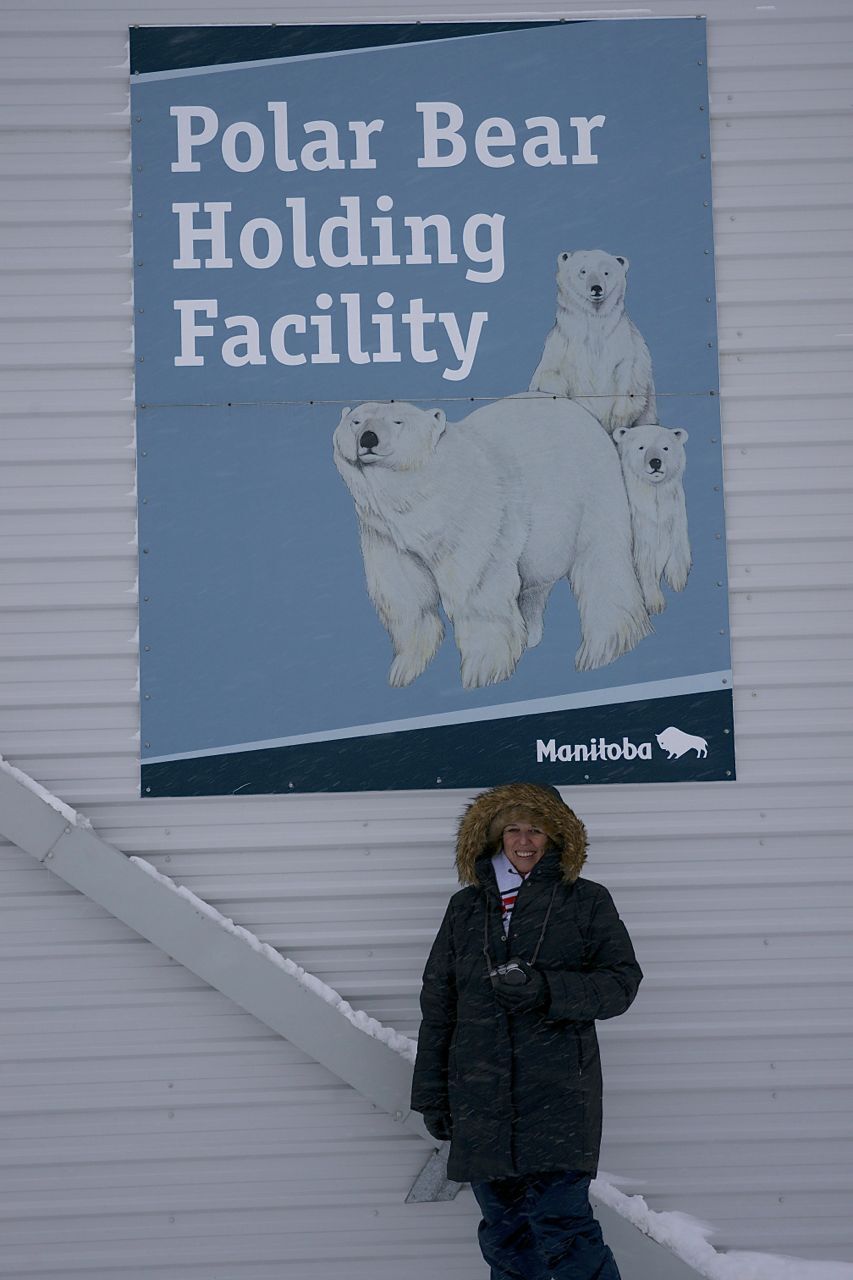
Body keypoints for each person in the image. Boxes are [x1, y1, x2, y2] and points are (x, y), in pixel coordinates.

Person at [411, 781, 642, 1280]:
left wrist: (546, 989)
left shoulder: (586, 901)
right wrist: (431, 1095)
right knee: (506, 1235)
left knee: (565, 1228)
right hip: (480, 1098)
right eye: (512, 829)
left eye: (535, 830)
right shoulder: (465, 908)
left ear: (556, 837)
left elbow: (621, 983)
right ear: (494, 837)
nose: (523, 840)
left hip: (559, 1097)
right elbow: (439, 1005)